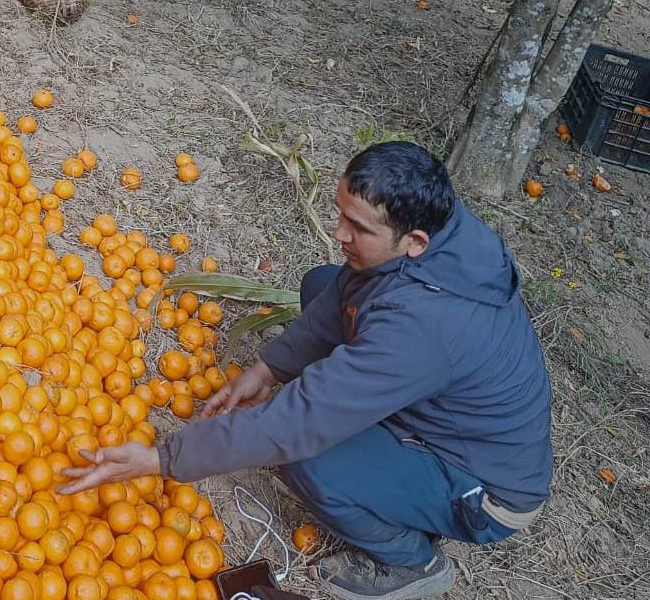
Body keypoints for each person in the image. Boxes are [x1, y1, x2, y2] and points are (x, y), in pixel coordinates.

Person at [57, 142, 552, 600]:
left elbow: (297, 424)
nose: (339, 233)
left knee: (305, 458)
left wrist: (162, 458)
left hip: (478, 488)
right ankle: (386, 451)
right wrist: (268, 368)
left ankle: (413, 563)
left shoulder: (424, 325)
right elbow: (345, 294)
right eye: (341, 215)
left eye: (358, 227)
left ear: (415, 241)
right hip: (438, 402)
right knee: (324, 283)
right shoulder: (443, 230)